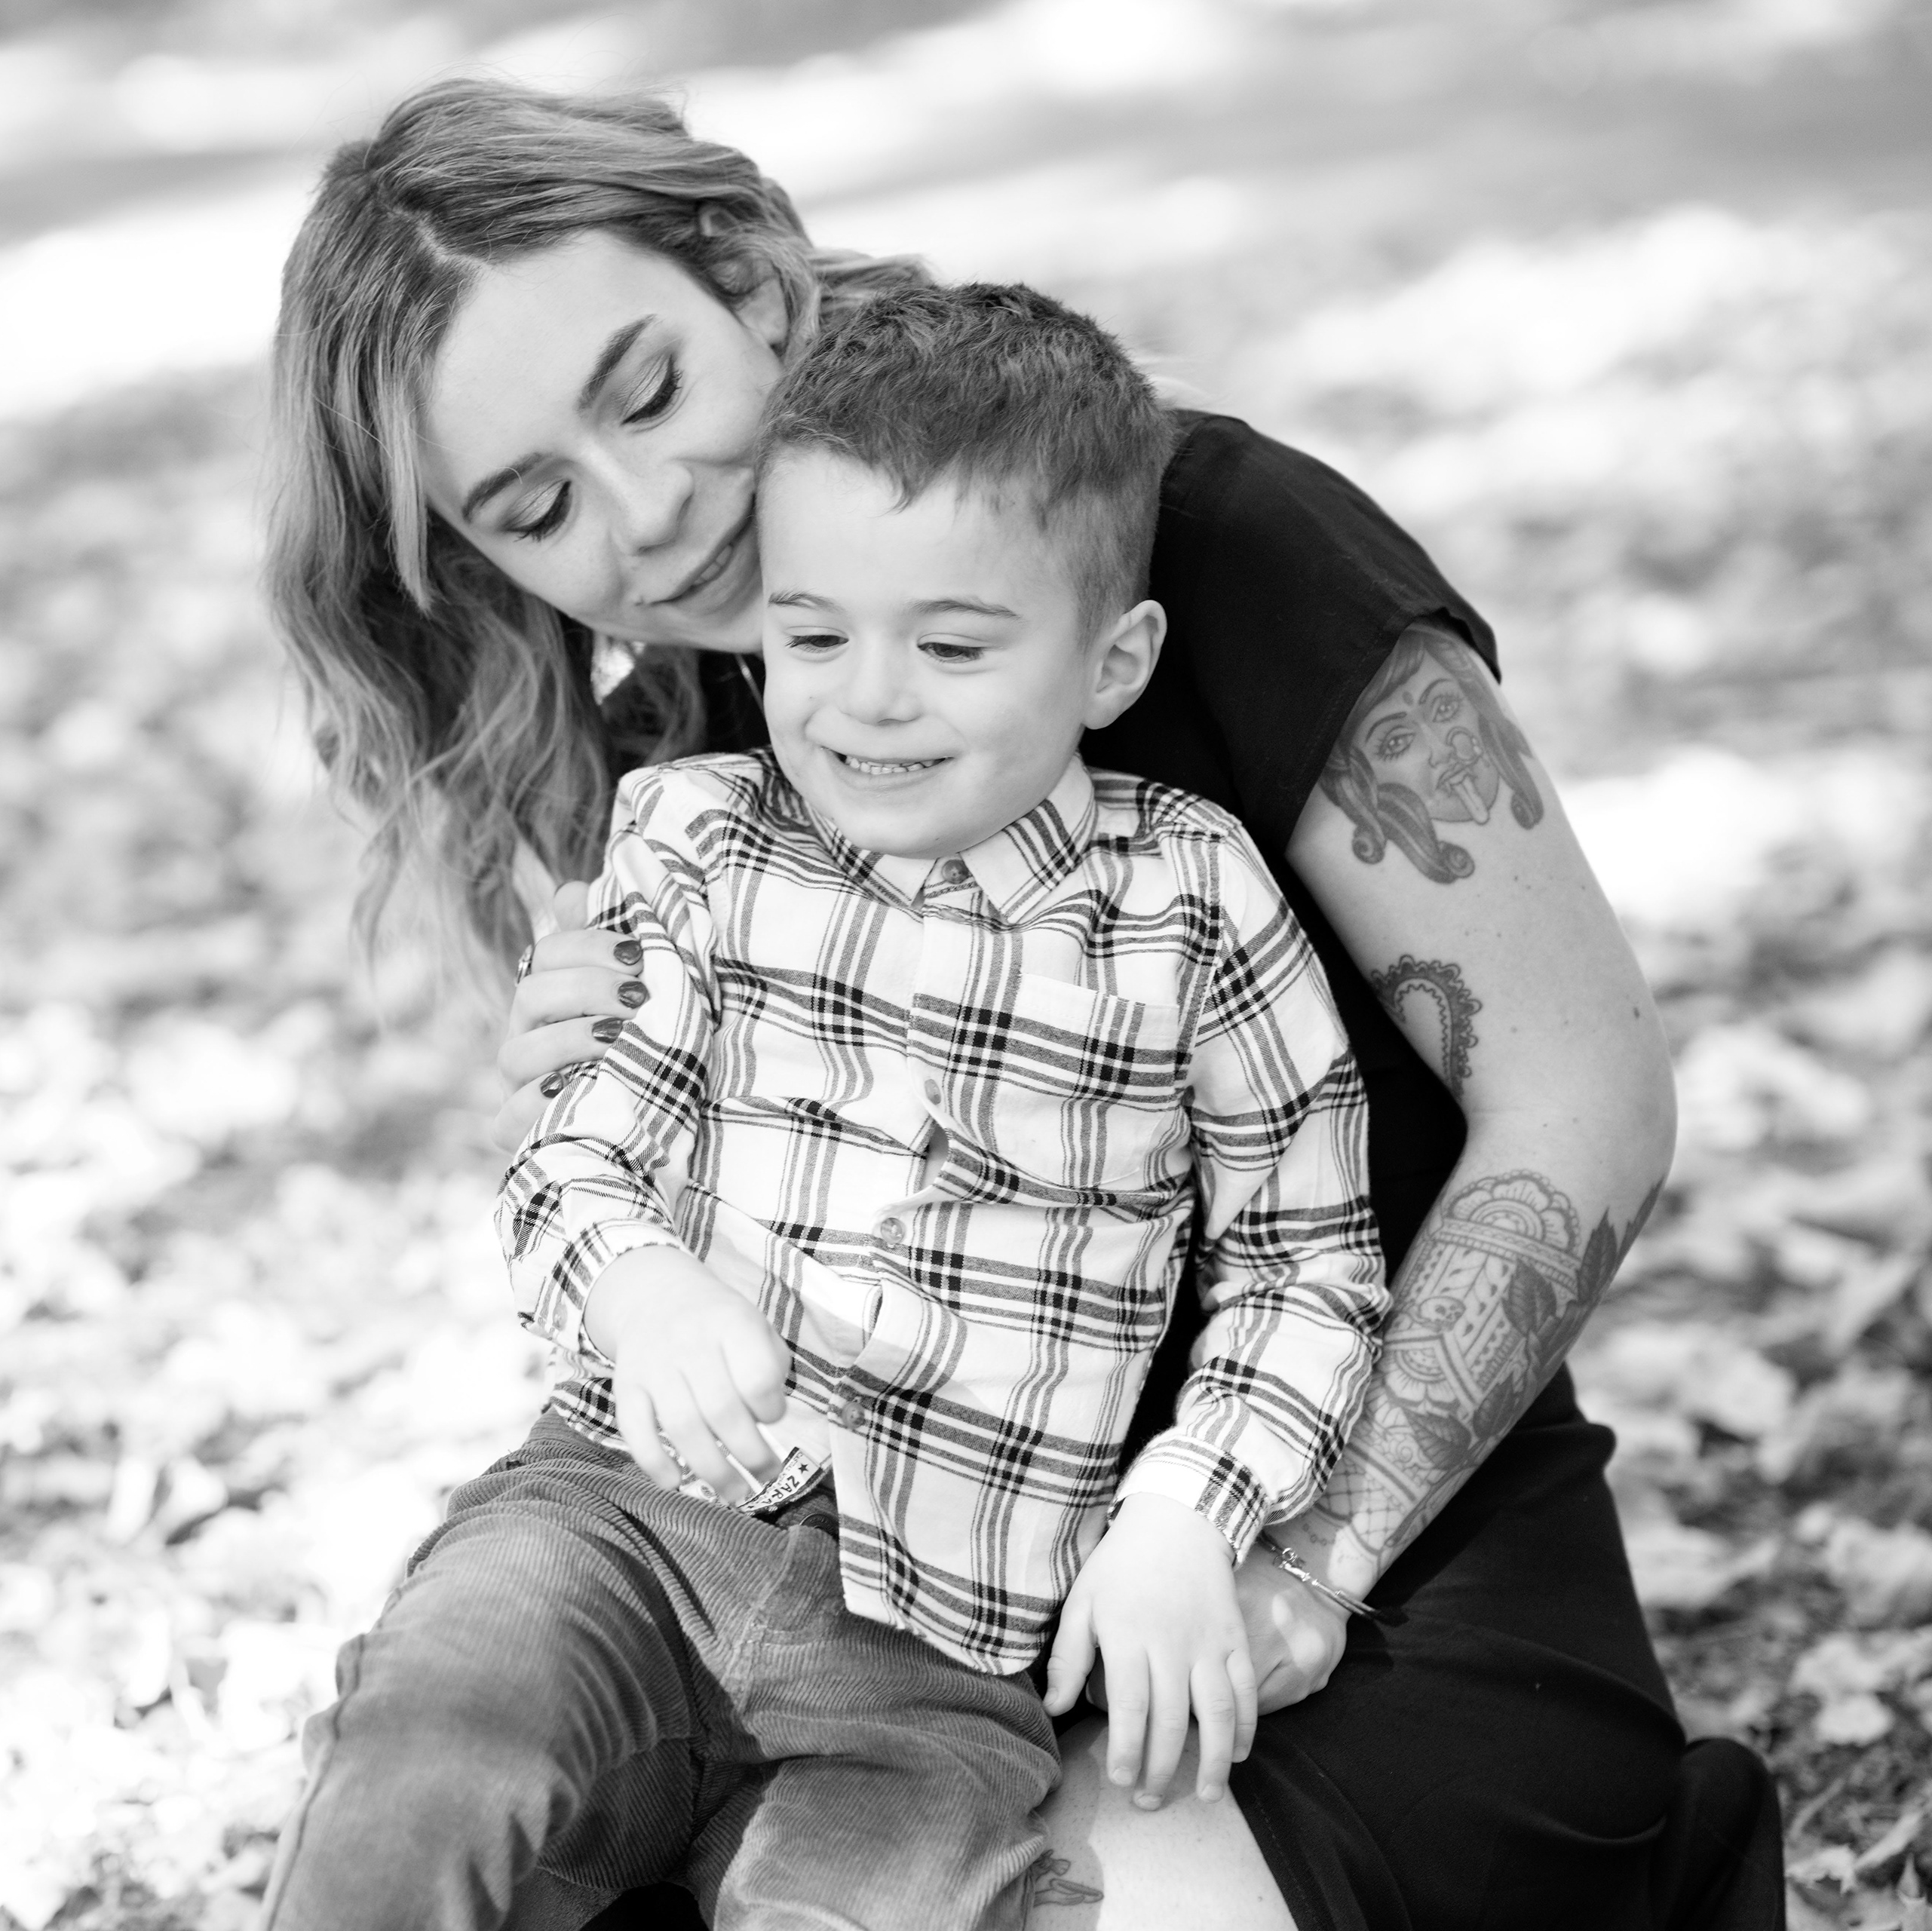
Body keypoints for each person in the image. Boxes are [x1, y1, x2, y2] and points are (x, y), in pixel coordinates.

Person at [263, 75, 1783, 1931]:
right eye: (538, 506)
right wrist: (617, 1160)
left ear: (752, 278)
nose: (650, 513)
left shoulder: (1208, 539)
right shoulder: (688, 756)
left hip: (1357, 1573)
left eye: (648, 392)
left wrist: (1294, 1563)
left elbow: (1589, 1097)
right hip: (894, 1622)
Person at [264, 282, 1393, 1930]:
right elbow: (575, 1152)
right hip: (627, 1524)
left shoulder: (1193, 902)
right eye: (812, 638)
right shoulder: (693, 840)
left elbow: (1305, 1258)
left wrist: (1186, 1510)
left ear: (1114, 661)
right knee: (425, 1767)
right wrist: (644, 1289)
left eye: (952, 646)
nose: (869, 698)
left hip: (940, 1657)